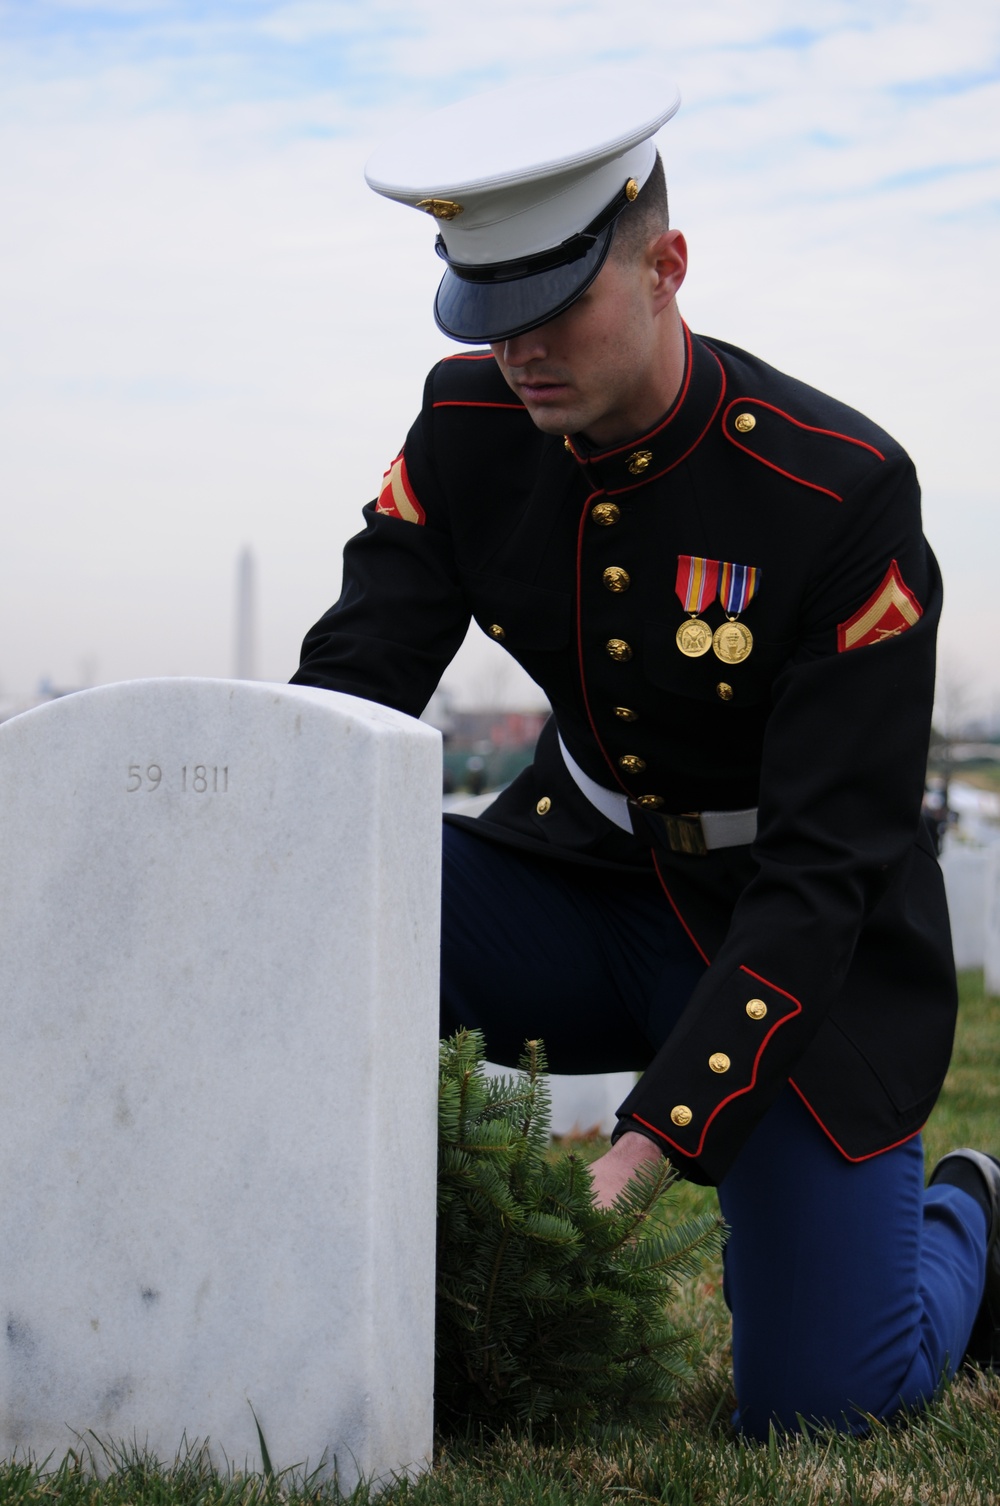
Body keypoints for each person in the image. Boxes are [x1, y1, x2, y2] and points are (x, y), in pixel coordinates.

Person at [291, 70, 999, 1437]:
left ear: (668, 266)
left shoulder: (839, 493)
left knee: (819, 1402)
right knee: (322, 891)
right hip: (580, 888)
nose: (519, 350)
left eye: (555, 306)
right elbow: (347, 701)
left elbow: (821, 877)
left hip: (801, 941)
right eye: (486, 314)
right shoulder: (469, 429)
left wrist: (641, 1150)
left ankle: (967, 1212)